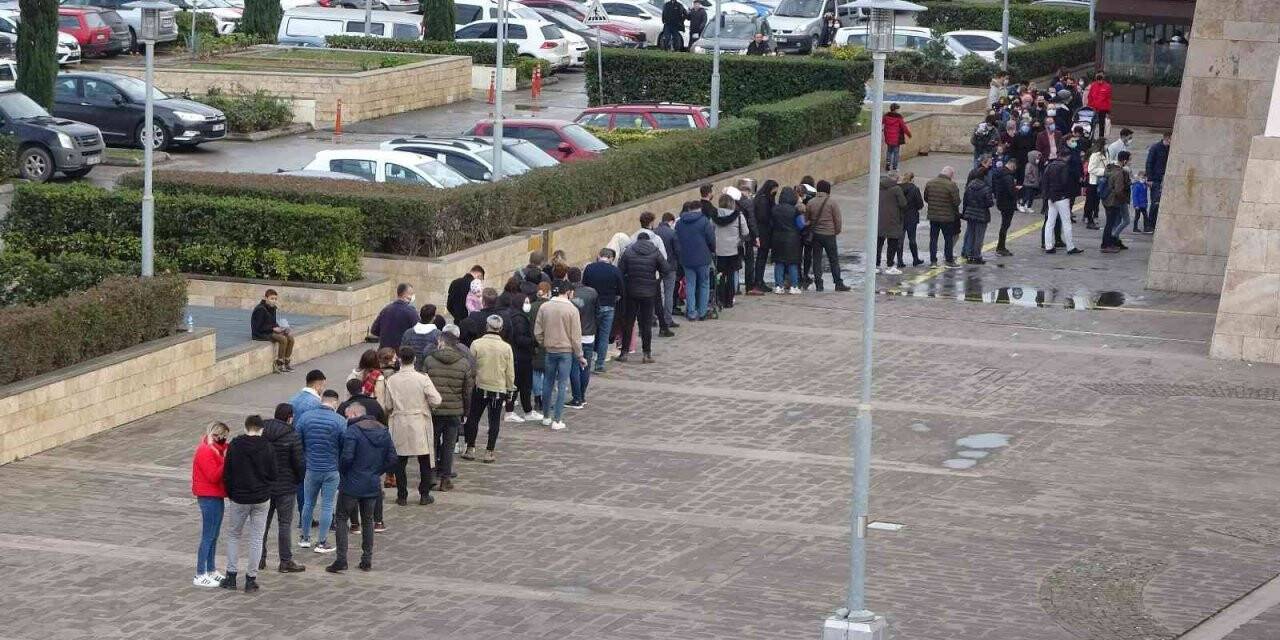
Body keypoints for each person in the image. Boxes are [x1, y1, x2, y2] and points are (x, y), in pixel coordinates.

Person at [326, 403, 397, 574]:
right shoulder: (383, 430)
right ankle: (367, 559)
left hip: (352, 482)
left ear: (355, 413)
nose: (346, 419)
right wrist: (376, 471)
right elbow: (393, 458)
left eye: (347, 415)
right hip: (372, 483)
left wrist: (344, 472)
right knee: (368, 521)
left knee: (342, 518)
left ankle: (341, 559)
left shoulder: (353, 431)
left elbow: (347, 457)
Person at [219, 415, 276, 593]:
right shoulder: (267, 446)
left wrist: (231, 492)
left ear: (245, 427)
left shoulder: (235, 445)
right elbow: (273, 473)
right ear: (261, 429)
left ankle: (231, 575)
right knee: (256, 538)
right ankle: (251, 579)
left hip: (239, 497)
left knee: (234, 535)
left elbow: (227, 472)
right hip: (261, 498)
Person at [383, 346, 442, 506]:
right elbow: (436, 399)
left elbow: (387, 405)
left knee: (400, 462)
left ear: (400, 360)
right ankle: (424, 494)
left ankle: (402, 495)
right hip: (419, 422)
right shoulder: (423, 379)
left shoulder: (391, 380)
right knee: (424, 459)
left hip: (400, 422)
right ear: (414, 359)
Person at [295, 388, 346, 554]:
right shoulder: (339, 421)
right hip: (331, 469)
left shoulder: (305, 418)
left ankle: (305, 537)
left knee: (308, 503)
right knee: (327, 505)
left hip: (311, 468)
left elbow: (298, 441)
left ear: (321, 399)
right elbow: (344, 445)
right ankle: (322, 542)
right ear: (335, 402)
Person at [258, 403, 306, 574]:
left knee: (262, 523)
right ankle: (285, 561)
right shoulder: (292, 435)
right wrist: (298, 480)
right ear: (290, 417)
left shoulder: (261, 431)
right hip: (286, 487)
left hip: (264, 486)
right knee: (284, 524)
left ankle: (259, 558)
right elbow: (299, 463)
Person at [423, 327, 472, 491]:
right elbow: (467, 391)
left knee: (432, 443)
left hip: (434, 409)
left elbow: (423, 386)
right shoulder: (464, 363)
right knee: (449, 446)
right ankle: (445, 478)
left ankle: (430, 476)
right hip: (454, 410)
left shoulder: (429, 361)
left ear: (441, 342)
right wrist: (466, 411)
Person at [617, 225, 671, 363]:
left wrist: (627, 282)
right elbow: (666, 268)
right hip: (649, 292)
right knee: (646, 323)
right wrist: (657, 280)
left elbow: (620, 272)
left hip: (632, 291)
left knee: (628, 322)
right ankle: (647, 354)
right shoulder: (655, 251)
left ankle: (624, 352)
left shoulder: (628, 252)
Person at [535, 284, 584, 430]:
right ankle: (557, 419)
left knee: (548, 382)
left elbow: (538, 330)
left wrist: (544, 343)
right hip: (566, 351)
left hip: (550, 350)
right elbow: (576, 336)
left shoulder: (544, 307)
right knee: (562, 384)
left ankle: (546, 416)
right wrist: (579, 354)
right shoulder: (572, 310)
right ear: (568, 292)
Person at [465, 315, 516, 456]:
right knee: (494, 420)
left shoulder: (476, 344)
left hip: (479, 385)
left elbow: (470, 367)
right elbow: (510, 372)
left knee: (473, 418)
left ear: (487, 326)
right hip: (498, 388)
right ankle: (489, 451)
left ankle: (470, 448)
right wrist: (510, 389)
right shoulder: (506, 348)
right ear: (500, 328)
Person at [191, 420, 229, 587]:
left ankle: (211, 569)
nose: (224, 440)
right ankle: (200, 573)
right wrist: (226, 462)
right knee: (208, 535)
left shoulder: (216, 450)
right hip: (208, 496)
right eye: (223, 437)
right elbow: (213, 476)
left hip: (216, 495)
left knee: (214, 535)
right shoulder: (205, 451)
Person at [582, 247, 625, 375]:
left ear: (599, 255)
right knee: (604, 336)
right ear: (610, 258)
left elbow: (585, 285)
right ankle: (599, 364)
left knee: (591, 333)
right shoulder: (615, 270)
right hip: (608, 305)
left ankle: (587, 362)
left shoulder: (590, 268)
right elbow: (621, 290)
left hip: (592, 305)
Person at [674, 200, 716, 318]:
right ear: (700, 209)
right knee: (704, 284)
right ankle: (702, 312)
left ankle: (691, 312)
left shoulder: (680, 223)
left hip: (686, 258)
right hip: (703, 258)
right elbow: (711, 239)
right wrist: (712, 249)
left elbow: (677, 240)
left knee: (690, 284)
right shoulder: (704, 221)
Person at [566, 267, 599, 408]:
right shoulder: (592, 292)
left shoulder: (570, 295)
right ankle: (582, 396)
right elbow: (598, 312)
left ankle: (577, 398)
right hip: (589, 334)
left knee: (574, 367)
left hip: (575, 335)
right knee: (585, 366)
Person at [712, 189, 749, 307]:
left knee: (720, 275)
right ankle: (730, 299)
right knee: (731, 275)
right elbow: (746, 232)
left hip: (718, 249)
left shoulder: (714, 216)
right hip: (733, 249)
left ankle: (720, 298)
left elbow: (710, 231)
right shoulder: (738, 216)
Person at [1041, 153, 1083, 255]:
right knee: (1066, 222)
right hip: (1062, 197)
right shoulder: (1065, 167)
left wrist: (1047, 195)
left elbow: (1044, 181)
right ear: (1067, 157)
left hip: (1051, 197)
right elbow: (1065, 182)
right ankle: (1070, 247)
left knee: (1050, 222)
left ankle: (1048, 246)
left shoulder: (1050, 166)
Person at [924, 167, 962, 268]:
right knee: (948, 239)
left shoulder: (930, 183)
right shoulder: (951, 185)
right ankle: (949, 261)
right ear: (950, 175)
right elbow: (957, 202)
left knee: (933, 239)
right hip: (947, 217)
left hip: (933, 216)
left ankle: (933, 261)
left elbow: (926, 198)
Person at [251, 289, 294, 374]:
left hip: (270, 330)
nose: (273, 301)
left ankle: (286, 361)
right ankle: (279, 364)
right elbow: (258, 327)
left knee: (290, 338)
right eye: (271, 298)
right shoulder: (260, 309)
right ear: (265, 298)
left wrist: (282, 328)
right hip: (260, 333)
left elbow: (273, 323)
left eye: (275, 299)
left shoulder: (273, 308)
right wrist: (273, 329)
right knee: (283, 339)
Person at [770, 187, 804, 292]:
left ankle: (778, 286)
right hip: (792, 239)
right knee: (792, 263)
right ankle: (794, 286)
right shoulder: (795, 210)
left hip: (777, 238)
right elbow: (801, 225)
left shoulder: (774, 209)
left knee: (779, 263)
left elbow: (771, 224)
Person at [959, 165, 993, 264]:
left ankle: (968, 253)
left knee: (970, 234)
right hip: (981, 215)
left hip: (970, 213)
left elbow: (965, 200)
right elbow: (989, 203)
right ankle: (976, 255)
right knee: (979, 236)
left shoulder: (969, 186)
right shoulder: (986, 188)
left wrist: (965, 212)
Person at [1101, 150, 1133, 253]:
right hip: (1113, 201)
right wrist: (1124, 199)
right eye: (1129, 160)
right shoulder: (1119, 173)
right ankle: (1106, 244)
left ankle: (1111, 241)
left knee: (1111, 223)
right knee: (1110, 224)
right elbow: (1119, 190)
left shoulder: (1110, 168)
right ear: (1124, 160)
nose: (1130, 162)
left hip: (1107, 199)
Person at [369, 283, 418, 350]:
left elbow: (374, 330)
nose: (413, 296)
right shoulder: (411, 312)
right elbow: (418, 332)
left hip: (384, 351)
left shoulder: (386, 309)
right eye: (411, 294)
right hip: (401, 353)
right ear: (405, 295)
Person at [876, 173, 908, 273]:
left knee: (878, 244)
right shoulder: (896, 189)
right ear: (896, 179)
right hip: (893, 220)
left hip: (880, 219)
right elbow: (903, 203)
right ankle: (890, 265)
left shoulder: (878, 187)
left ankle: (876, 264)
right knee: (892, 243)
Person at [751, 180, 778, 294]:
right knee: (761, 258)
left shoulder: (762, 198)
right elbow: (764, 217)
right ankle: (758, 281)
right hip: (764, 233)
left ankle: (759, 280)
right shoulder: (763, 200)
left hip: (763, 232)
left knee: (761, 258)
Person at [654, 213, 681, 325]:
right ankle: (667, 319)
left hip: (656, 266)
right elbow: (678, 251)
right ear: (671, 221)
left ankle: (653, 317)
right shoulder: (673, 233)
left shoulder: (654, 232)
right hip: (670, 267)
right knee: (668, 293)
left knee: (656, 293)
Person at [401, 304, 442, 369]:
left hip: (412, 368)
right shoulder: (437, 334)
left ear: (420, 316)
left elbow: (402, 352)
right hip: (430, 369)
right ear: (433, 318)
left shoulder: (408, 333)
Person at [992, 158, 1019, 257]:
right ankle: (1001, 247)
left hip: (1001, 201)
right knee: (1005, 225)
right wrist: (1017, 190)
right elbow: (1011, 191)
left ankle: (1001, 247)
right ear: (1012, 165)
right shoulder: (1008, 176)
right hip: (1008, 204)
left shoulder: (999, 173)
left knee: (1004, 225)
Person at [896, 173, 924, 268]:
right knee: (912, 239)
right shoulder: (915, 189)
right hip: (912, 217)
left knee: (900, 240)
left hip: (900, 217)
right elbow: (920, 204)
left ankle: (900, 261)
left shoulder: (898, 188)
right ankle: (915, 259)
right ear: (912, 179)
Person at [1144, 132, 1170, 232]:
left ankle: (1157, 223)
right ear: (1166, 138)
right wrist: (1149, 178)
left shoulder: (1170, 149)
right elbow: (1149, 163)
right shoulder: (1156, 148)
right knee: (1155, 202)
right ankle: (1150, 224)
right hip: (1156, 179)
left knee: (1161, 203)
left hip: (1164, 179)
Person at [1084, 138, 1108, 230]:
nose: (1107, 146)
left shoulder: (1105, 154)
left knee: (1095, 202)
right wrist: (1104, 171)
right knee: (1091, 202)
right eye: (1106, 144)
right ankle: (1089, 220)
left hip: (1101, 182)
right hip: (1094, 182)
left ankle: (1092, 219)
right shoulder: (1095, 155)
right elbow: (1091, 169)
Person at [883, 103, 910, 172]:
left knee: (889, 151)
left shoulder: (886, 116)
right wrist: (909, 134)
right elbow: (904, 127)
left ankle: (888, 165)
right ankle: (895, 167)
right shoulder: (898, 117)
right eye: (898, 109)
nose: (898, 110)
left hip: (888, 137)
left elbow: (882, 122)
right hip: (896, 138)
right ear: (895, 109)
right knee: (896, 153)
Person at [1085, 71, 1112, 139]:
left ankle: (1101, 138)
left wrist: (1108, 111)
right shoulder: (1093, 85)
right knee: (1092, 123)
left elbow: (1108, 99)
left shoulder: (1107, 86)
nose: (1099, 81)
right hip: (1093, 108)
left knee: (1101, 124)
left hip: (1103, 109)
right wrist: (1089, 107)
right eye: (1098, 79)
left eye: (1101, 79)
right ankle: (1090, 136)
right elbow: (1090, 96)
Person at [1021, 149, 1042, 213]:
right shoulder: (1029, 165)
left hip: (1034, 184)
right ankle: (1022, 204)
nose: (1038, 160)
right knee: (1027, 195)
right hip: (1028, 184)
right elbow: (1027, 174)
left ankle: (1028, 206)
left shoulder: (1036, 166)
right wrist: (1033, 179)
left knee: (1032, 197)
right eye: (1037, 158)